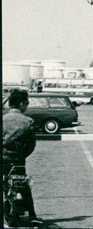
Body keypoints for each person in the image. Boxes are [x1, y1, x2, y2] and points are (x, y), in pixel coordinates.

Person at [2, 89, 41, 227]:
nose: (27, 106)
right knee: (23, 186)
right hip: (17, 160)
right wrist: (21, 155)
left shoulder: (3, 119)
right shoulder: (27, 121)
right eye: (27, 103)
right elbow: (31, 144)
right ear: (21, 103)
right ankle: (32, 215)